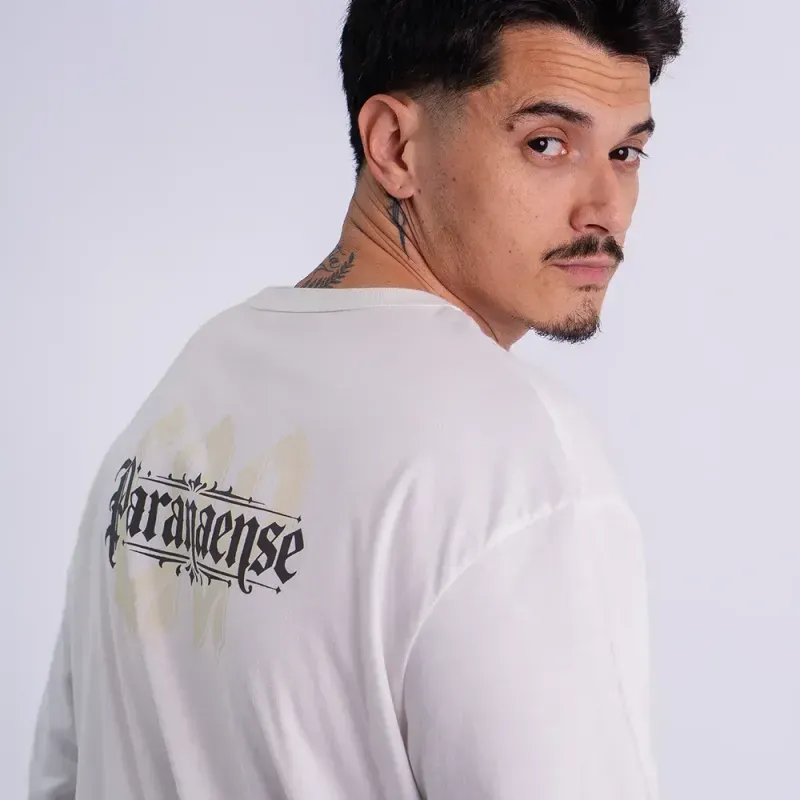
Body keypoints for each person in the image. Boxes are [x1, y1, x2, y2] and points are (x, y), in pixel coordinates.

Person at [29, 1, 684, 797]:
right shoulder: (518, 462)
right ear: (395, 146)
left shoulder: (195, 381)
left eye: (625, 152)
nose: (605, 207)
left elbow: (64, 773)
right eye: (547, 144)